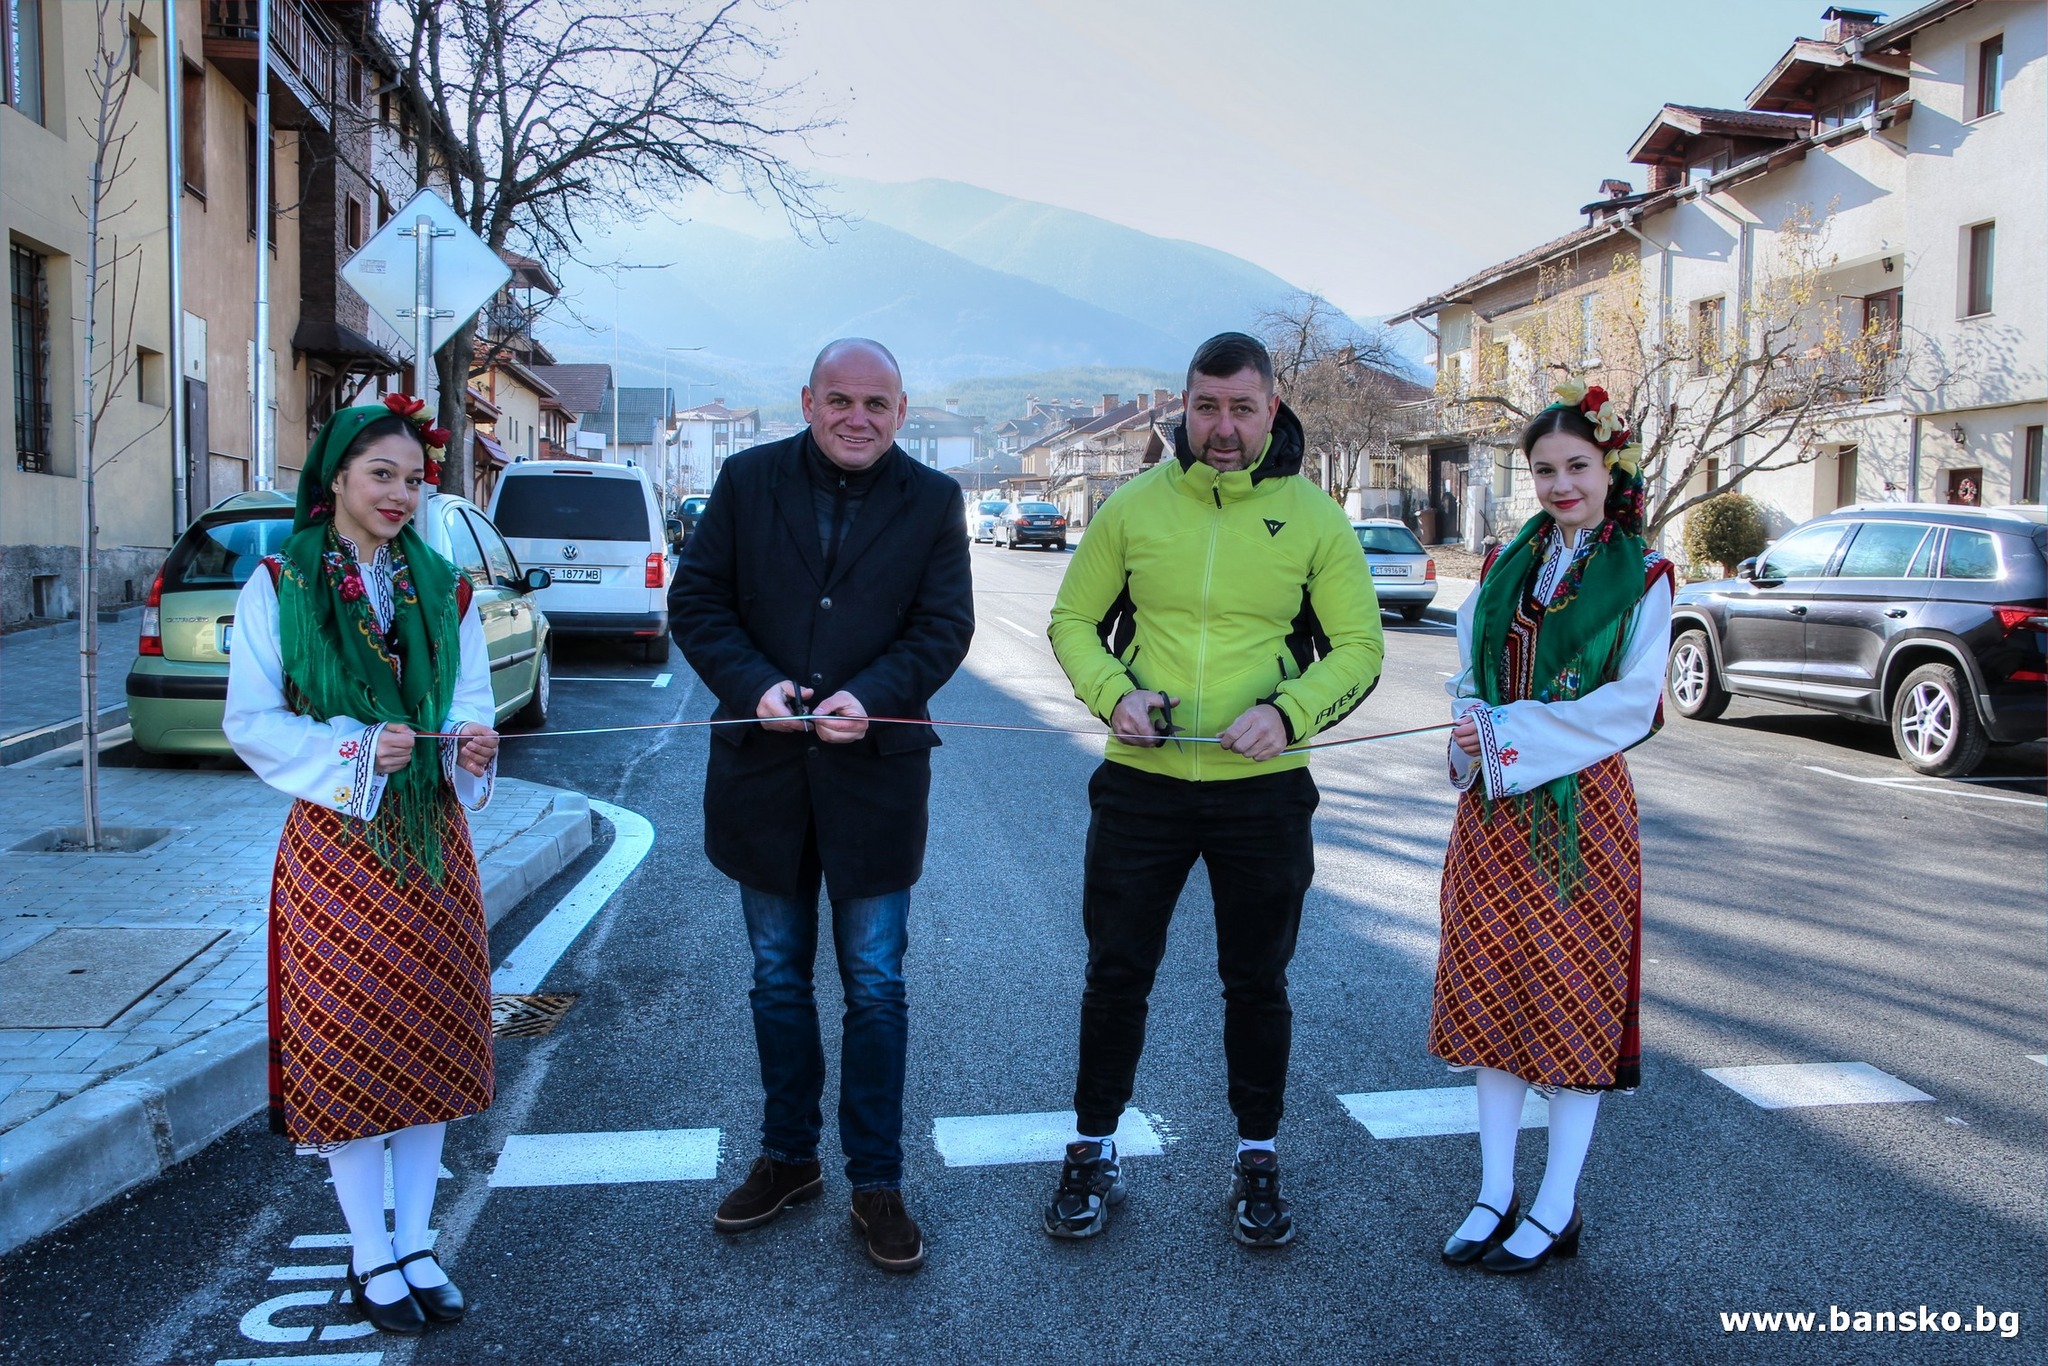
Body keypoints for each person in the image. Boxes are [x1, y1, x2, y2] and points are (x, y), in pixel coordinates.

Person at [1042, 332, 1385, 1247]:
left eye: (1241, 408)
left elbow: (1360, 648)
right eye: (1206, 406)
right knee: (1116, 974)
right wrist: (1114, 695)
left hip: (1263, 793)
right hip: (1141, 787)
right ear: (1181, 410)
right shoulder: (1133, 506)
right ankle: (1091, 1147)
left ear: (1271, 410)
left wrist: (1290, 712)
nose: (1222, 427)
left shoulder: (1315, 518)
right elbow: (1074, 619)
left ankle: (1258, 1157)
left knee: (1257, 981)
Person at [670, 338, 973, 1273]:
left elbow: (943, 626)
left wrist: (872, 692)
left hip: (875, 778)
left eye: (876, 403)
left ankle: (876, 1182)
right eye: (840, 399)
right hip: (763, 776)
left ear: (902, 411)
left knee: (877, 988)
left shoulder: (933, 500)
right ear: (807, 400)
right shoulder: (747, 479)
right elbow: (699, 603)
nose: (857, 417)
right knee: (776, 978)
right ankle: (789, 1159)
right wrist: (754, 685)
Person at [224, 397, 500, 1335]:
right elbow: (251, 722)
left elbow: (471, 702)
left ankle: (416, 1240)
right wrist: (349, 752)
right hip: (336, 852)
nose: (399, 494)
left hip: (430, 845)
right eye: (381, 474)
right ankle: (368, 1252)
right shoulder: (279, 584)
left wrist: (472, 748)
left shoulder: (446, 587)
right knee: (353, 1053)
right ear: (336, 477)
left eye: (415, 480)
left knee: (423, 1047)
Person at [1430, 379, 1674, 1275]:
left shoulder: (1644, 575)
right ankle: (1495, 1192)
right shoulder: (1504, 565)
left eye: (1577, 466)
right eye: (1544, 470)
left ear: (1612, 468)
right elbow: (1469, 669)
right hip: (1493, 811)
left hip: (1583, 817)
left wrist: (1508, 732)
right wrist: (1468, 722)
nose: (1561, 484)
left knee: (1570, 1005)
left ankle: (1558, 1203)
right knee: (1493, 999)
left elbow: (1634, 704)